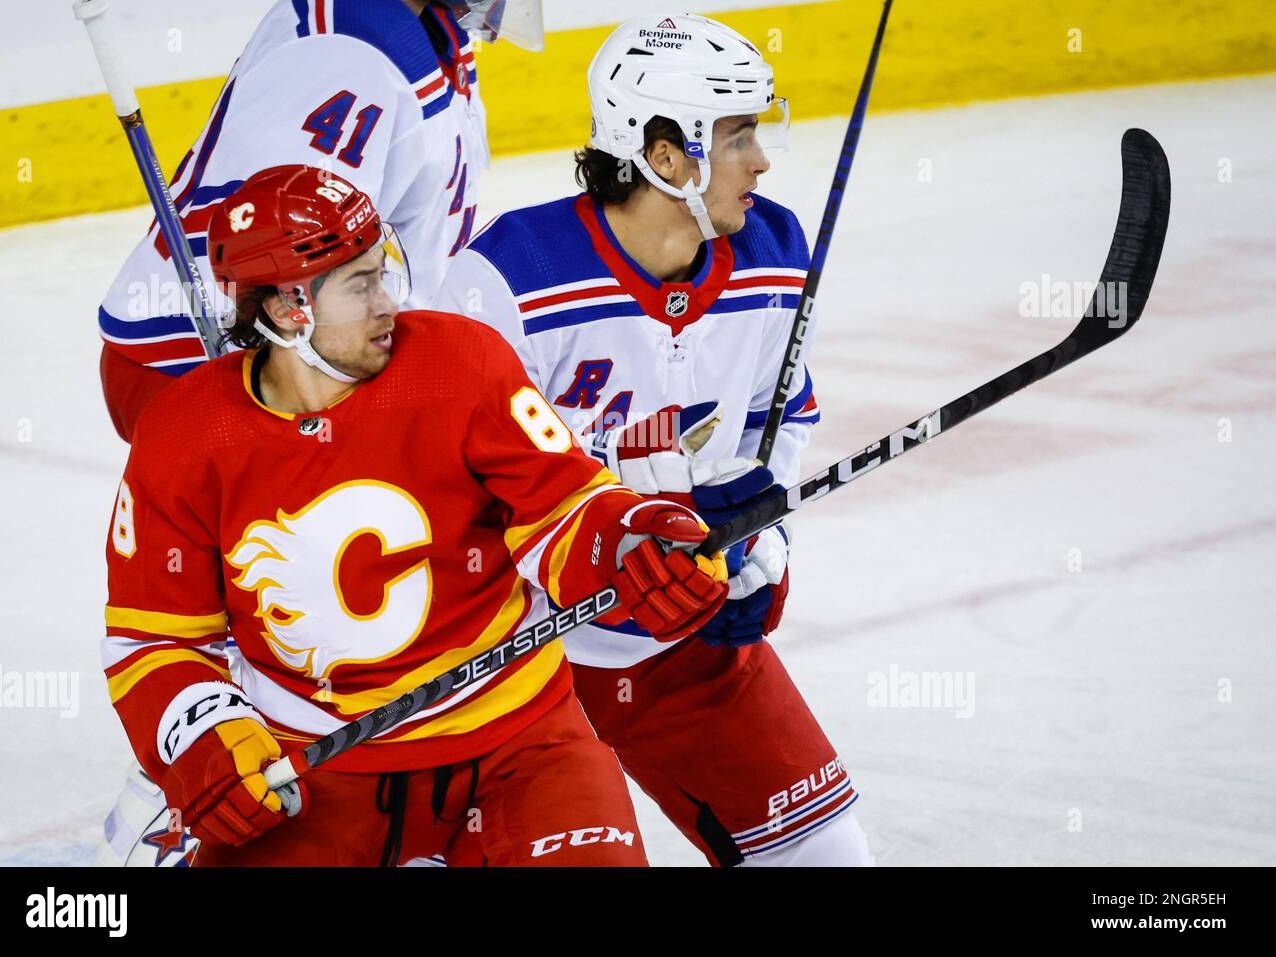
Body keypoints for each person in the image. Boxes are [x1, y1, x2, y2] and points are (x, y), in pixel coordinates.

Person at [102, 164, 729, 866]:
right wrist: (199, 729)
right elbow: (150, 641)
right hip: (316, 767)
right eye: (360, 284)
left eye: (384, 270)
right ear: (286, 310)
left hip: (517, 743)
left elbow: (565, 504)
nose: (388, 303)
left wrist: (627, 543)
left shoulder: (458, 362)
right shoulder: (183, 436)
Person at [94, 0, 540, 864]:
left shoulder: (428, 40)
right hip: (201, 365)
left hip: (314, 352)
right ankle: (176, 805)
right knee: (265, 604)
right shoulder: (356, 51)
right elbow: (286, 244)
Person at [435, 13, 875, 866]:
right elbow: (446, 492)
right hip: (514, 660)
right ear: (665, 155)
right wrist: (610, 548)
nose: (761, 158)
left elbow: (773, 426)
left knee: (829, 859)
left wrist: (760, 542)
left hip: (682, 633)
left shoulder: (777, 252)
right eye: (739, 132)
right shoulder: (508, 280)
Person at [95, 0, 544, 442]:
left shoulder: (433, 26)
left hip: (335, 356)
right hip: (212, 372)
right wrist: (296, 411)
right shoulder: (346, 53)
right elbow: (285, 249)